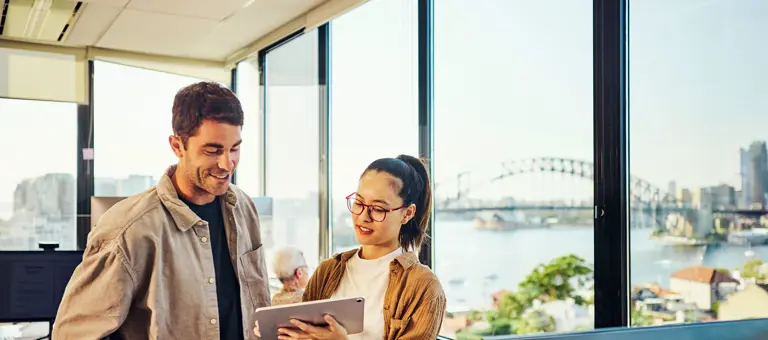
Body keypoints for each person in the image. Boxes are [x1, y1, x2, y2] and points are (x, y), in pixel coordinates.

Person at [53, 81, 271, 340]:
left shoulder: (244, 209)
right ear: (177, 146)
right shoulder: (127, 229)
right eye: (213, 150)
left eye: (234, 148)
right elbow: (72, 334)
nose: (227, 164)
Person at [270, 155, 446, 339]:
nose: (363, 217)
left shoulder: (424, 286)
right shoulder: (327, 271)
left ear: (407, 213)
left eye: (378, 208)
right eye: (359, 203)